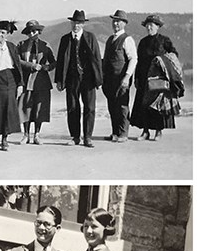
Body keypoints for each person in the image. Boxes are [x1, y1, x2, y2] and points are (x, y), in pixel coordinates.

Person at [130, 14, 184, 141]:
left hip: (158, 78)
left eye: (152, 25)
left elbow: (174, 55)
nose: (149, 27)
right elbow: (139, 61)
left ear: (158, 26)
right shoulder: (143, 42)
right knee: (144, 105)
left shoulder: (165, 40)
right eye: (147, 25)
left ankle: (158, 132)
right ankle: (145, 131)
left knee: (158, 106)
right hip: (144, 77)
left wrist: (161, 59)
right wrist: (136, 78)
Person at [55, 10, 102, 148]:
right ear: (71, 23)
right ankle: (75, 137)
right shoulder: (65, 39)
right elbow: (60, 61)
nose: (76, 25)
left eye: (79, 23)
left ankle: (88, 137)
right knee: (72, 107)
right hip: (71, 79)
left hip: (88, 79)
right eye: (74, 22)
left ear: (83, 24)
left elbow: (97, 58)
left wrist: (98, 79)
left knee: (90, 107)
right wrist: (59, 80)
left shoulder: (90, 37)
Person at [17, 19, 56, 145]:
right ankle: (26, 134)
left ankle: (37, 135)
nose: (32, 34)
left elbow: (54, 62)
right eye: (29, 32)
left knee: (39, 109)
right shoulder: (21, 45)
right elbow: (17, 61)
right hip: (26, 81)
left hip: (41, 82)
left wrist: (47, 67)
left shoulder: (45, 46)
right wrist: (30, 66)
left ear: (39, 32)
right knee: (25, 108)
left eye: (34, 31)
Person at [102, 10, 137, 143]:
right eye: (114, 21)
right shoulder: (110, 39)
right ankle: (115, 133)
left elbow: (133, 59)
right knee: (112, 106)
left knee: (122, 106)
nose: (116, 23)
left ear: (124, 24)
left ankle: (123, 134)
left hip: (121, 79)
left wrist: (127, 77)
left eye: (119, 21)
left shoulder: (127, 39)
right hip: (109, 79)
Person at [0, 21, 23, 151]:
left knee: (9, 110)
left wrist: (20, 84)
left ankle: (4, 139)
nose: (0, 35)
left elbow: (18, 66)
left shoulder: (12, 47)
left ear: (7, 34)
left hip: (11, 80)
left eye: (3, 33)